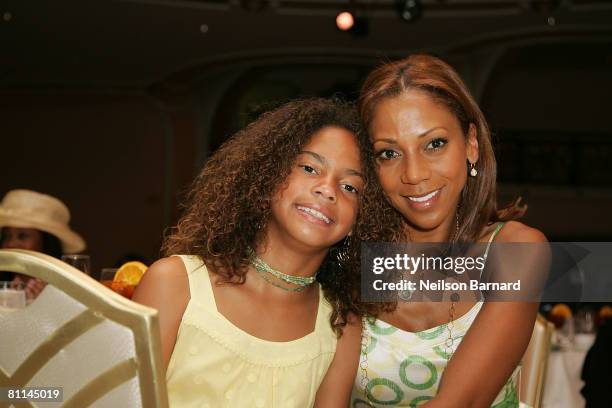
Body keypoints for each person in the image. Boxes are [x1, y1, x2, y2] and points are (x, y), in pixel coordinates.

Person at [133, 98, 371, 407]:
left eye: (350, 187)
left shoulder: (340, 325)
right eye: (310, 168)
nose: (327, 189)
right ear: (268, 177)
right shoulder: (176, 283)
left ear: (360, 220)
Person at [344, 54, 549, 407]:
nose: (414, 174)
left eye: (435, 144)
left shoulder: (516, 250)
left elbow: (461, 403)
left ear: (471, 143)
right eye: (389, 153)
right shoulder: (347, 256)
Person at [0, 189, 86, 299]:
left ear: (46, 242)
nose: (10, 244)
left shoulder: (68, 293)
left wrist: (44, 303)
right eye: (7, 236)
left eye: (23, 236)